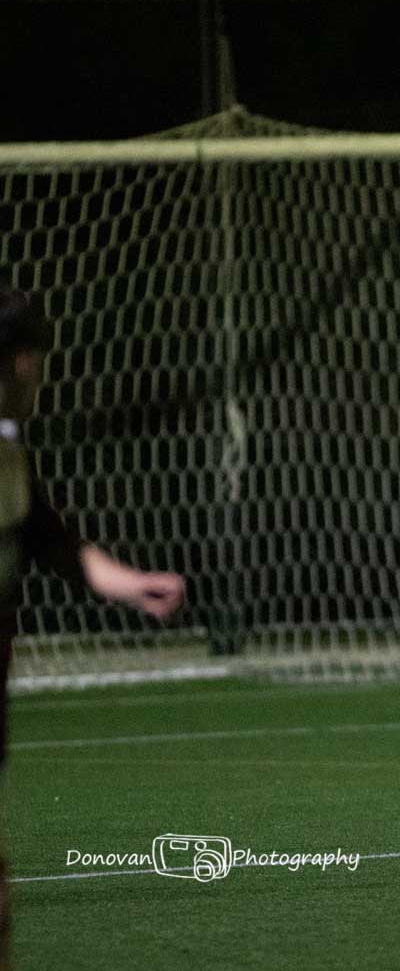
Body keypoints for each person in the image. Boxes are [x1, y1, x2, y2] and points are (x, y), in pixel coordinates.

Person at [1, 287, 187, 965]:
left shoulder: (11, 452)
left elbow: (56, 543)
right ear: (23, 363)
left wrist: (131, 584)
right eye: (37, 359)